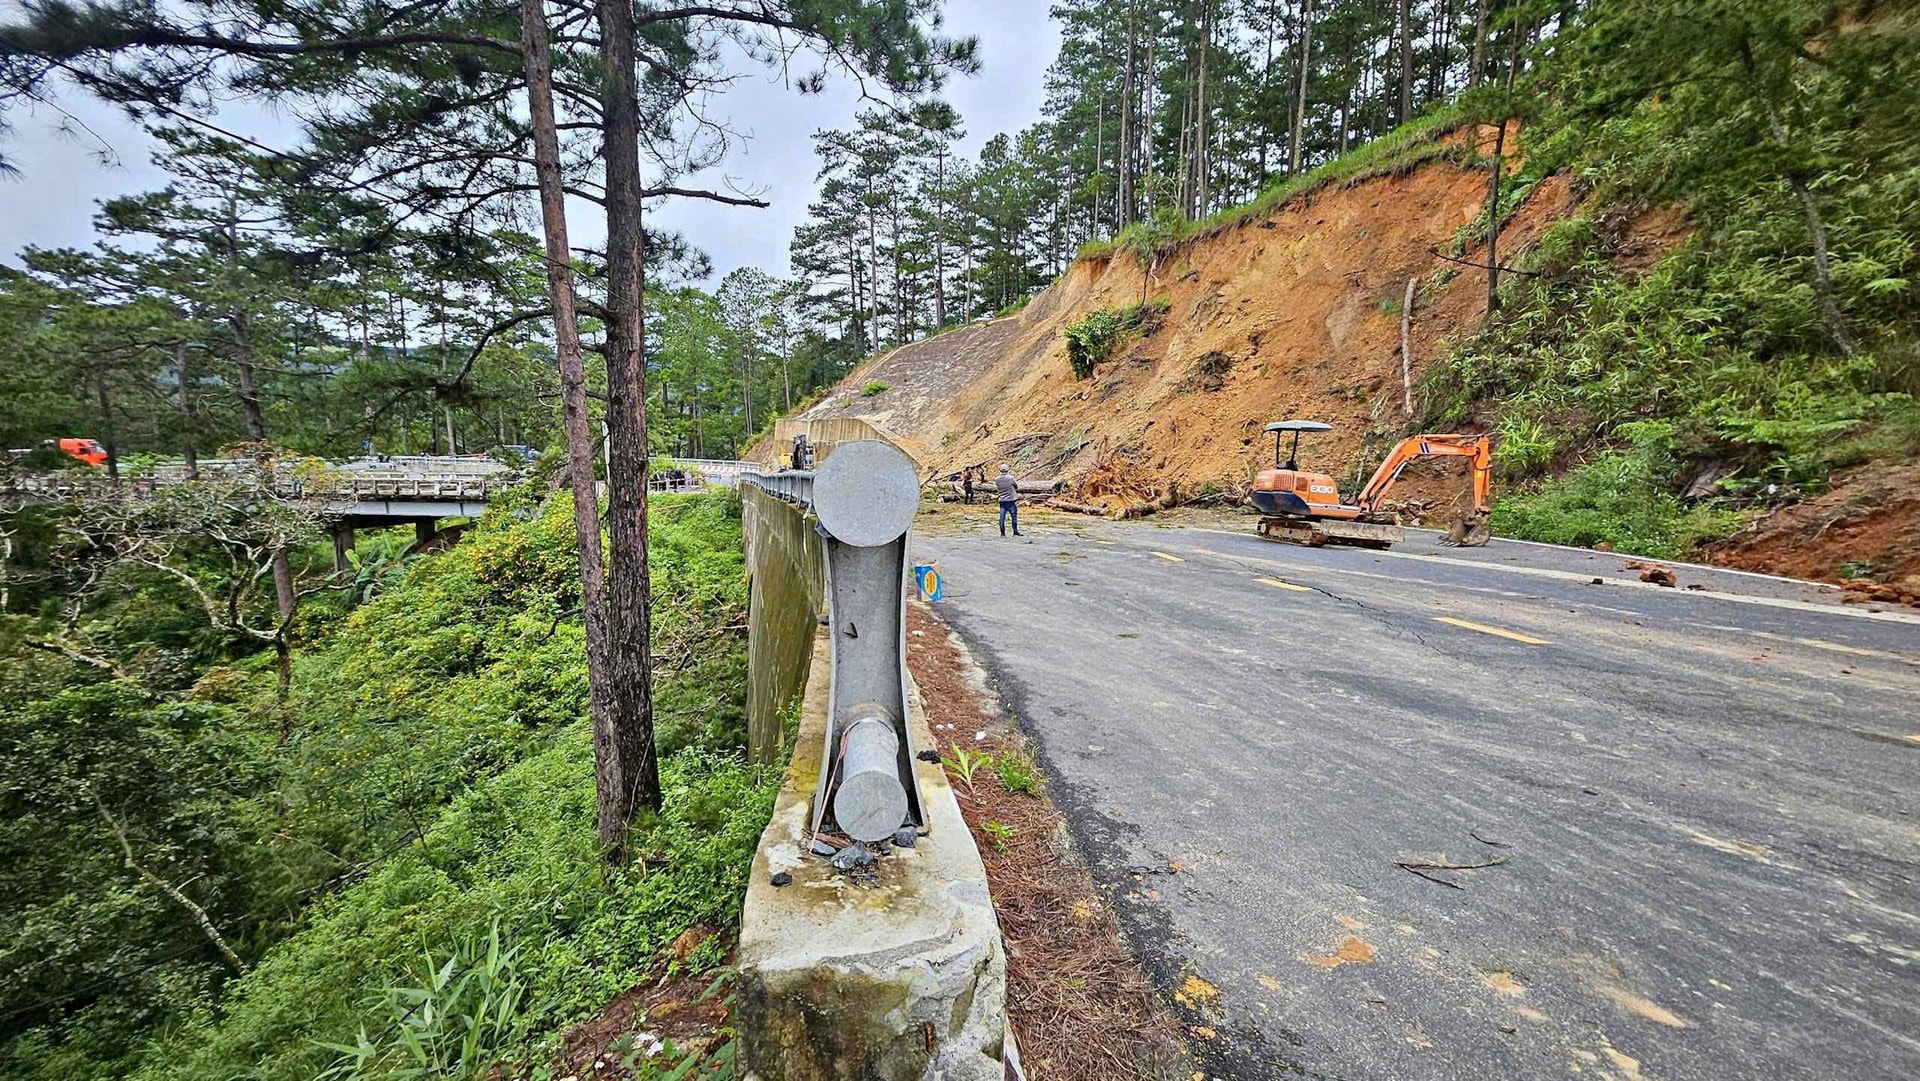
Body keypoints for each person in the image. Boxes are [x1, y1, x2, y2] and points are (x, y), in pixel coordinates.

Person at [995, 464, 1022, 537]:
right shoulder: (1011, 478)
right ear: (1007, 470)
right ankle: (1015, 531)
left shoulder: (997, 479)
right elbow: (1016, 486)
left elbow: (998, 488)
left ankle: (1002, 533)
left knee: (1002, 518)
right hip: (1011, 500)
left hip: (1002, 500)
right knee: (1014, 516)